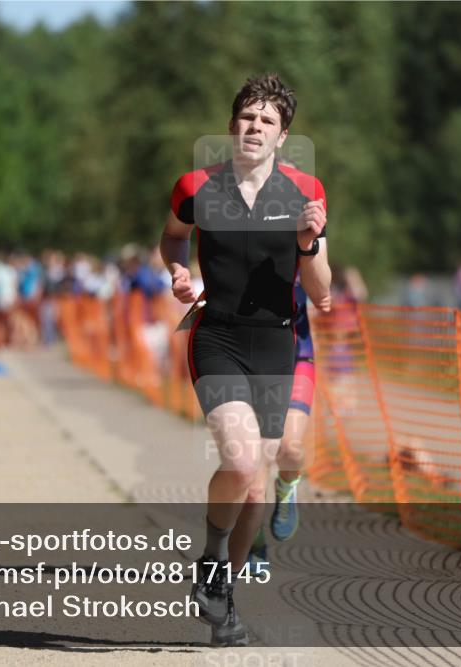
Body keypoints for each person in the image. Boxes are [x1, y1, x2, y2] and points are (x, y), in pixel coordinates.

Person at [160, 74, 331, 646]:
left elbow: (321, 286)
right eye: (247, 117)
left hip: (277, 345)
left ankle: (223, 594)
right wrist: (177, 270)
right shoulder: (195, 186)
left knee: (257, 487)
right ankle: (212, 557)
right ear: (232, 125)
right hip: (219, 338)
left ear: (282, 136)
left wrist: (309, 243)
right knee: (239, 461)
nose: (255, 127)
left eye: (267, 120)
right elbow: (173, 235)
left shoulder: (305, 190)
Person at [247, 273, 318, 575]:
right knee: (253, 460)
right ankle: (252, 539)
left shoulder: (302, 246)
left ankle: (286, 487)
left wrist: (312, 260)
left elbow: (323, 291)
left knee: (290, 448)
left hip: (298, 357)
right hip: (250, 359)